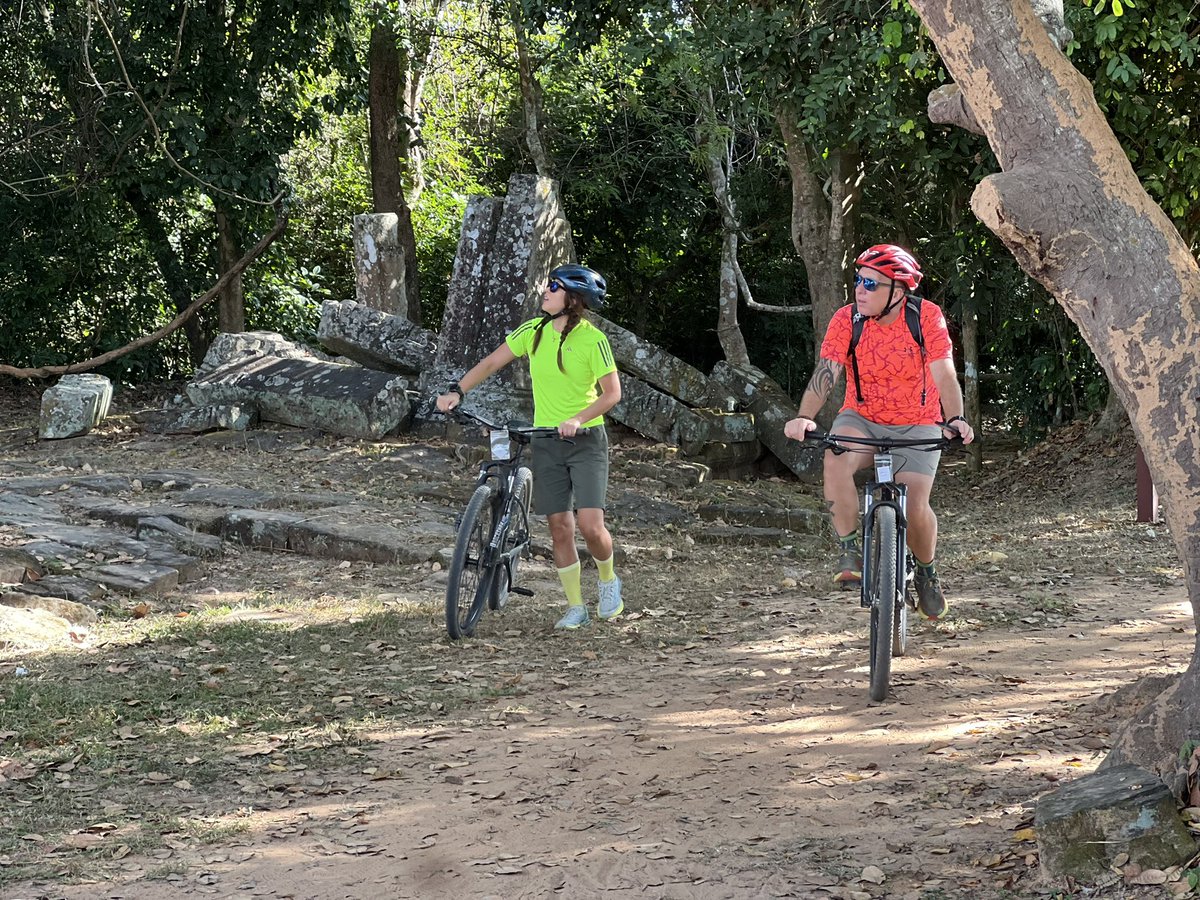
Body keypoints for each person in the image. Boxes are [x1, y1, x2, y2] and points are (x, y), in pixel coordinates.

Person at [783, 244, 974, 620]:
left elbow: (944, 373)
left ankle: (926, 574)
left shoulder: (926, 317)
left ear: (898, 291)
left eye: (871, 283)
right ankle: (850, 547)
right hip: (862, 417)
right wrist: (804, 416)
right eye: (858, 280)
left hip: (918, 421)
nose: (860, 289)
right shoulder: (847, 319)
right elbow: (828, 371)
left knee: (916, 503)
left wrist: (955, 418)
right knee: (834, 458)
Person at [436, 264, 624, 631]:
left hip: (586, 441)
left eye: (554, 287)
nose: (545, 290)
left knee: (590, 525)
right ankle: (575, 607)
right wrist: (457, 391)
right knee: (558, 526)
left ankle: (608, 581)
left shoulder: (592, 340)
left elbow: (612, 394)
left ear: (572, 298)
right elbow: (491, 361)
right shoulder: (533, 332)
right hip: (546, 440)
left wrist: (579, 419)